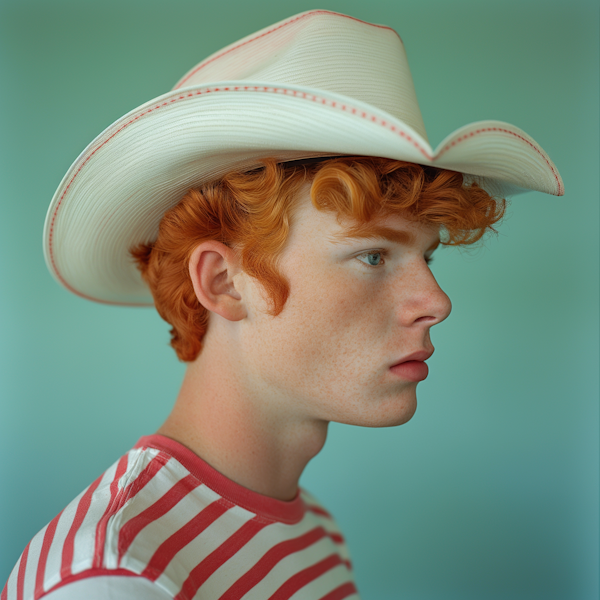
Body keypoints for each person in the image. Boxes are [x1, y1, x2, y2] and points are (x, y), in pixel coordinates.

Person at [2, 9, 563, 600]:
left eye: (430, 257)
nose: (436, 301)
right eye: (373, 256)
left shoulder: (308, 530)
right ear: (222, 282)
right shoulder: (116, 577)